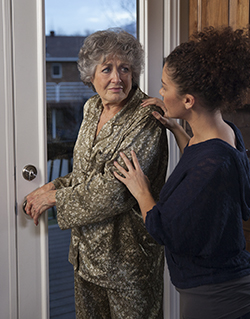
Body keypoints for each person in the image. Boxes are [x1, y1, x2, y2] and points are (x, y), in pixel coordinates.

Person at [113, 26, 250, 319]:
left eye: (165, 87)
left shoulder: (213, 165)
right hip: (232, 289)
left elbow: (163, 228)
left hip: (216, 298)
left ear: (188, 100)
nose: (160, 93)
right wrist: (177, 128)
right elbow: (201, 162)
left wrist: (140, 187)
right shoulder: (224, 132)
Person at [25, 29, 168, 319]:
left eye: (125, 68)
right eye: (107, 69)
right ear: (91, 75)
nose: (117, 78)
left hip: (128, 265)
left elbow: (115, 191)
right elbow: (86, 171)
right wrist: (51, 185)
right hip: (86, 257)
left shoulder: (146, 120)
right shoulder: (92, 108)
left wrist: (54, 198)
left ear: (134, 72)